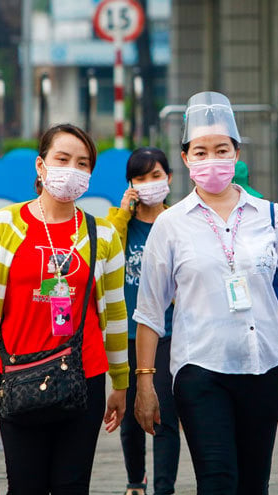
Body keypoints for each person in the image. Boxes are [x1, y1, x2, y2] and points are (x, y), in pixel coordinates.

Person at [132, 91, 278, 495]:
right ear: (185, 159)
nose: (211, 159)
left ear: (236, 154)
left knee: (254, 484)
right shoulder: (171, 226)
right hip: (201, 370)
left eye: (222, 149)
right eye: (200, 151)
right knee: (218, 481)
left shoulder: (272, 216)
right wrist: (146, 383)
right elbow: (149, 313)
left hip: (266, 369)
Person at [0, 123, 129, 494]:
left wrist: (121, 383)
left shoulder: (103, 235)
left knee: (72, 485)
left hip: (85, 376)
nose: (72, 171)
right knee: (25, 485)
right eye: (62, 159)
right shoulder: (3, 225)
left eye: (82, 164)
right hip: (19, 376)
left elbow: (115, 313)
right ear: (40, 165)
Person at [106, 148, 180, 495]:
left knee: (164, 412)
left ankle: (164, 488)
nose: (149, 183)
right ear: (130, 184)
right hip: (128, 334)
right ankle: (136, 482)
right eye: (140, 177)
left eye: (155, 175)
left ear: (168, 178)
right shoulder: (118, 223)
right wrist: (123, 214)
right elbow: (106, 258)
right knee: (131, 413)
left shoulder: (179, 220)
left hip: (169, 332)